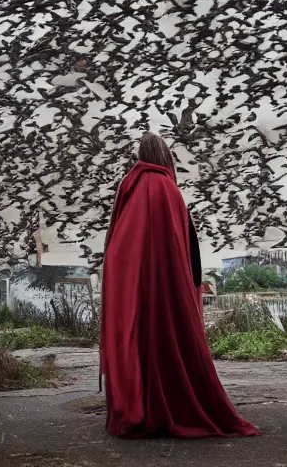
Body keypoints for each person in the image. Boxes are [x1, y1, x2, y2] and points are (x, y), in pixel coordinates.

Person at [100, 131, 260, 439]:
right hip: (167, 293)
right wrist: (189, 287)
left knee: (139, 344)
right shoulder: (166, 188)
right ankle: (169, 409)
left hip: (134, 290)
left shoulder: (130, 187)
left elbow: (119, 246)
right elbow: (181, 245)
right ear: (164, 155)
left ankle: (139, 409)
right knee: (170, 345)